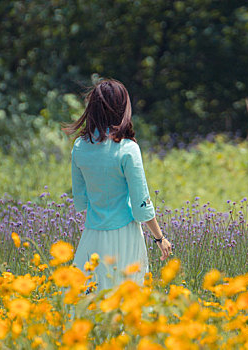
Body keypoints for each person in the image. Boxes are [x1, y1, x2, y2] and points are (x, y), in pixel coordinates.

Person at [63, 79, 172, 292]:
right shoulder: (127, 149)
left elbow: (80, 200)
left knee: (87, 302)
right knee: (125, 301)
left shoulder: (79, 147)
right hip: (125, 237)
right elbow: (142, 204)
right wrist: (159, 238)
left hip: (92, 236)